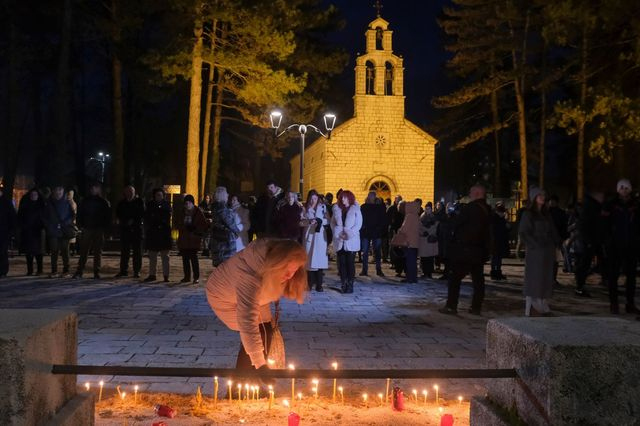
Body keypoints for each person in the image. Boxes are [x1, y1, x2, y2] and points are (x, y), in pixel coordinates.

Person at [205, 239, 308, 371]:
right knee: (260, 331)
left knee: (265, 330)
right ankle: (245, 384)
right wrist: (260, 365)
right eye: (286, 270)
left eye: (293, 270)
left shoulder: (269, 263)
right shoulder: (250, 277)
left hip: (247, 294)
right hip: (223, 297)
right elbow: (247, 322)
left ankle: (250, 383)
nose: (289, 276)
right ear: (276, 264)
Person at [439, 185, 491, 315]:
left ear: (478, 193)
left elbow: (457, 224)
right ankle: (476, 307)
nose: (470, 194)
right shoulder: (488, 210)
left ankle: (451, 306)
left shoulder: (471, 208)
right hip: (479, 250)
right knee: (478, 280)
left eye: (471, 192)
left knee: (455, 278)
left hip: (465, 250)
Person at [517, 187, 560, 316]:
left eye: (543, 195)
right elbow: (524, 232)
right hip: (536, 252)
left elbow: (552, 230)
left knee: (545, 278)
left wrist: (557, 242)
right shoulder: (528, 214)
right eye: (539, 195)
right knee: (535, 279)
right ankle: (533, 307)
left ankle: (542, 305)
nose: (542, 197)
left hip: (547, 251)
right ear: (534, 197)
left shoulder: (546, 214)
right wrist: (535, 244)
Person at [603, 179, 639, 314]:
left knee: (631, 276)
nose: (624, 190)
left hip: (631, 245)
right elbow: (604, 224)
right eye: (621, 187)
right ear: (618, 189)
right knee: (613, 275)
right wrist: (607, 240)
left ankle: (630, 303)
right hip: (615, 245)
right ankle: (614, 303)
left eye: (626, 188)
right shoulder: (611, 204)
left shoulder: (635, 205)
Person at [73, 183, 111, 279]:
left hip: (98, 228)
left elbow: (107, 217)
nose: (93, 189)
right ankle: (80, 270)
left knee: (97, 251)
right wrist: (80, 225)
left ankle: (96, 271)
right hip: (87, 228)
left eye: (95, 187)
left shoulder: (103, 202)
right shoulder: (85, 201)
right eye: (92, 187)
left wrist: (105, 228)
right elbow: (80, 214)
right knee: (84, 251)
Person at [573, 191, 605, 297]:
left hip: (595, 240)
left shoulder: (594, 207)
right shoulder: (590, 207)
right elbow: (584, 226)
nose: (602, 197)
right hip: (590, 240)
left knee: (598, 261)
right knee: (585, 263)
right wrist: (588, 241)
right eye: (601, 195)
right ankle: (579, 286)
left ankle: (603, 280)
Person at [331, 190, 362, 293]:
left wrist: (349, 234)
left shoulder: (356, 208)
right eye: (341, 197)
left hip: (351, 240)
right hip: (340, 240)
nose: (342, 199)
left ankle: (350, 284)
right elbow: (333, 223)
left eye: (344, 197)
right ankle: (343, 283)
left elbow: (358, 224)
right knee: (342, 264)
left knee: (350, 263)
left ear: (349, 198)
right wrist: (338, 233)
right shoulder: (336, 208)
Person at [43, 186, 74, 278]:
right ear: (54, 192)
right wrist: (49, 226)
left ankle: (66, 270)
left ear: (63, 192)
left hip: (64, 230)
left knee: (65, 251)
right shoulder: (49, 203)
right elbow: (44, 216)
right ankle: (54, 270)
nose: (58, 193)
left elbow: (72, 215)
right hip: (53, 230)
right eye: (57, 191)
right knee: (54, 251)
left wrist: (66, 223)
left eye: (60, 191)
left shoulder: (67, 203)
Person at [301, 189, 329, 292]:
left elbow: (328, 220)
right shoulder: (304, 208)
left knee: (319, 260)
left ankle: (319, 284)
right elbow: (301, 221)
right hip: (309, 236)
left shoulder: (322, 207)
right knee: (309, 259)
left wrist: (320, 221)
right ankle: (309, 283)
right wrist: (309, 221)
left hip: (319, 236)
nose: (313, 200)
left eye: (315, 198)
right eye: (311, 198)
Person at [115, 185, 145, 278]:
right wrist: (124, 222)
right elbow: (119, 214)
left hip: (136, 230)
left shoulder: (139, 202)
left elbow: (142, 213)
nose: (130, 194)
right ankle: (123, 270)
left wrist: (134, 220)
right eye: (128, 192)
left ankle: (137, 270)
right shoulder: (122, 203)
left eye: (131, 192)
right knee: (125, 252)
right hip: (125, 230)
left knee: (137, 252)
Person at [177, 194, 207, 284]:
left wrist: (195, 228)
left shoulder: (197, 212)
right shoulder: (182, 212)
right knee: (185, 259)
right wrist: (183, 226)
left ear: (193, 203)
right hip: (184, 239)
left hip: (194, 239)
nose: (187, 205)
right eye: (186, 203)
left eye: (189, 203)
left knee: (194, 258)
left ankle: (196, 277)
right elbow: (177, 223)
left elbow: (203, 225)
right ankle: (187, 276)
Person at [144, 188, 172, 283]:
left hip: (164, 233)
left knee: (165, 256)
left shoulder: (167, 205)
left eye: (160, 195)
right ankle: (152, 274)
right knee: (152, 256)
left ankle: (166, 275)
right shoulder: (150, 205)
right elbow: (148, 218)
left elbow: (167, 216)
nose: (159, 197)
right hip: (153, 233)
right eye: (157, 195)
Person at [210, 186, 241, 267]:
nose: (228, 195)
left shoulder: (215, 208)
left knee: (221, 267)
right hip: (225, 243)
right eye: (226, 194)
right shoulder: (222, 209)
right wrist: (237, 232)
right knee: (226, 267)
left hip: (218, 240)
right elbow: (230, 223)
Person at [359, 191, 387, 277]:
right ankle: (364, 269)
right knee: (366, 251)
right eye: (370, 196)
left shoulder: (379, 208)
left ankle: (378, 269)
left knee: (377, 252)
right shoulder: (363, 207)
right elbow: (361, 219)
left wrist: (380, 229)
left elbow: (383, 219)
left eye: (372, 196)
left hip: (375, 232)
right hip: (367, 232)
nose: (371, 198)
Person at [18, 188, 45, 276]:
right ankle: (30, 270)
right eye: (32, 195)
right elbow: (20, 217)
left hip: (38, 231)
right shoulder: (25, 205)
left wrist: (42, 226)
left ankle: (40, 270)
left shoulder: (41, 206)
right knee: (29, 252)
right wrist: (23, 226)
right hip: (28, 231)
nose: (34, 196)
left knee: (39, 252)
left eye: (35, 195)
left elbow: (45, 218)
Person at [394, 200, 421, 283]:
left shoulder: (409, 216)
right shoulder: (416, 215)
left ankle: (410, 278)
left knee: (410, 261)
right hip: (414, 242)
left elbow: (404, 229)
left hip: (409, 242)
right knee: (413, 261)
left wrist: (399, 231)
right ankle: (413, 277)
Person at [547, 195, 568, 283]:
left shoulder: (561, 213)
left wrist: (562, 238)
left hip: (556, 239)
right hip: (546, 239)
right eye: (550, 201)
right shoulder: (545, 212)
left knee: (555, 260)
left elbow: (564, 226)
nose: (551, 203)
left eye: (553, 201)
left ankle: (553, 278)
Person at [490, 202, 510, 280]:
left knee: (498, 258)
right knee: (495, 258)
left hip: (499, 241)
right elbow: (497, 230)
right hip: (496, 241)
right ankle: (494, 273)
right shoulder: (495, 218)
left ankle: (497, 272)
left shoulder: (499, 218)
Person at [0, 187, 17, 278]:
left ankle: (3, 271)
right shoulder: (6, 202)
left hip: (4, 232)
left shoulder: (6, 202)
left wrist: (11, 231)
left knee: (2, 252)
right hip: (4, 231)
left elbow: (12, 218)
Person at [418, 202, 438, 279]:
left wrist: (429, 232)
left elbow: (435, 227)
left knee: (430, 258)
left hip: (430, 240)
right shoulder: (422, 216)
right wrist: (423, 232)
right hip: (423, 240)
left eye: (428, 208)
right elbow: (419, 226)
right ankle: (424, 272)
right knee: (423, 258)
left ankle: (429, 273)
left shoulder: (433, 217)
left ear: (431, 209)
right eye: (426, 208)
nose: (427, 210)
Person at [66, 189, 78, 255]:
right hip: (68, 222)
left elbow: (74, 213)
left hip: (71, 222)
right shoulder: (68, 202)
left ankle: (72, 250)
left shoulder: (72, 203)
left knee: (71, 237)